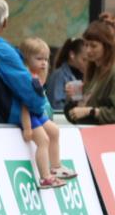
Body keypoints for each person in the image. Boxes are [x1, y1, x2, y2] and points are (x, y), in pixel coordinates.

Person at [18, 37, 77, 189]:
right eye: (39, 59)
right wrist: (27, 128)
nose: (44, 63)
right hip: (31, 116)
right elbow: (25, 105)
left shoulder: (36, 77)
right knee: (43, 141)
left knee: (54, 131)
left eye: (46, 59)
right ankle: (45, 177)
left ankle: (55, 166)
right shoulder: (26, 78)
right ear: (26, 58)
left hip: (38, 113)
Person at [64, 19, 115, 125]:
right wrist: (74, 98)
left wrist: (90, 111)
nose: (88, 50)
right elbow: (82, 111)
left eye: (93, 46)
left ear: (107, 46)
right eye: (86, 45)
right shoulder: (93, 71)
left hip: (106, 139)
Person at [45, 37, 85, 110]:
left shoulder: (85, 76)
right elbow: (55, 106)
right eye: (84, 59)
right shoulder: (59, 75)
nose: (87, 64)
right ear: (72, 55)